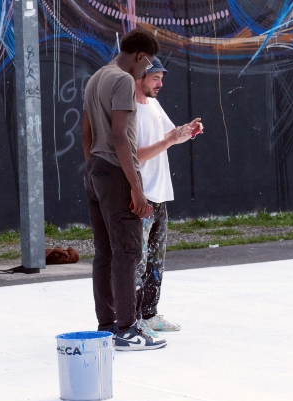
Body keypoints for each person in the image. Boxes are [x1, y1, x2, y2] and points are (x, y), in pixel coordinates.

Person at [80, 29, 166, 351]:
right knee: (128, 252)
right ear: (142, 57)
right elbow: (120, 137)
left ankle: (107, 325)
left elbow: (85, 133)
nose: (146, 73)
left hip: (96, 171)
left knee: (105, 252)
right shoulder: (124, 81)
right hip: (116, 172)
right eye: (148, 67)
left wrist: (93, 169)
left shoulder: (95, 79)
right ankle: (127, 330)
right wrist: (136, 188)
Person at [133, 58, 203, 337]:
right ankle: (133, 319)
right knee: (137, 261)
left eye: (161, 78)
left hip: (160, 196)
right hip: (142, 197)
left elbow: (168, 137)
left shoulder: (154, 105)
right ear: (140, 78)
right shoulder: (129, 110)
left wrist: (185, 132)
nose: (161, 84)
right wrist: (169, 140)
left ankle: (149, 315)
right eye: (155, 78)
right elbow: (135, 155)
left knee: (156, 260)